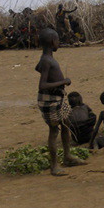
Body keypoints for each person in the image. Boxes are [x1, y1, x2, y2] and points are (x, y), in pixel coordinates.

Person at [35, 28, 87, 176]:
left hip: (57, 98)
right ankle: (54, 166)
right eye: (58, 40)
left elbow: (37, 68)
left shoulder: (46, 58)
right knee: (54, 130)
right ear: (52, 42)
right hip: (49, 100)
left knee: (66, 123)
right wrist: (63, 81)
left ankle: (67, 156)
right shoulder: (46, 60)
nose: (59, 43)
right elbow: (42, 85)